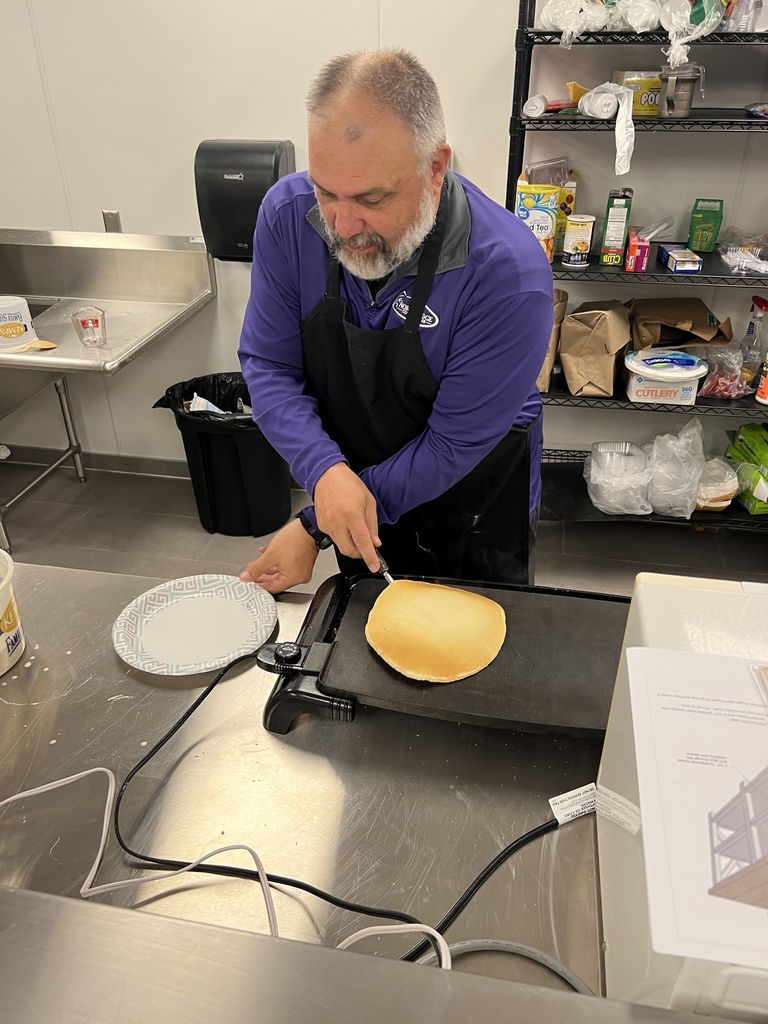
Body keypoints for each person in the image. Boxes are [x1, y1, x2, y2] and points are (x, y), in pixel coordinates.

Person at [238, 48, 553, 595]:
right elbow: (268, 364)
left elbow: (450, 447)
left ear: (435, 168)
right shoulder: (288, 218)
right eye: (326, 191)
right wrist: (325, 474)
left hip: (472, 497)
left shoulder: (507, 275)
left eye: (372, 198)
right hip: (355, 478)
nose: (342, 224)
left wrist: (317, 526)